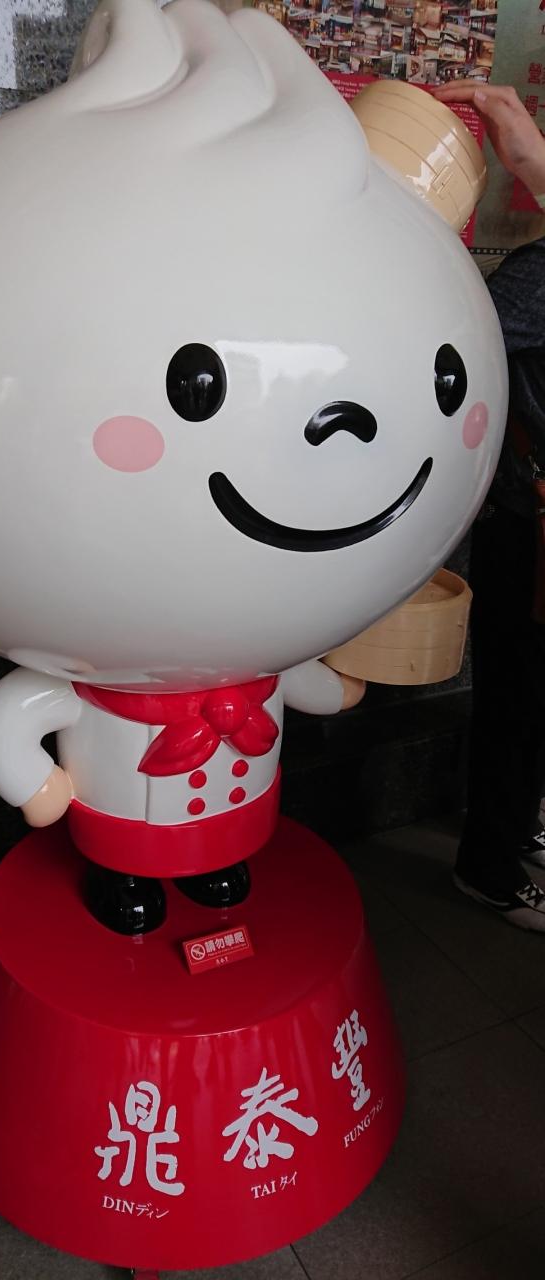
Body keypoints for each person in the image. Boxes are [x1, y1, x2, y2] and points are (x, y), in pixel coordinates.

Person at [432, 82, 545, 929]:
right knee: (520, 704)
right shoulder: (535, 278)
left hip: (526, 524)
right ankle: (492, 864)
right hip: (529, 529)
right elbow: (462, 346)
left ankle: (510, 836)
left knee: (525, 705)